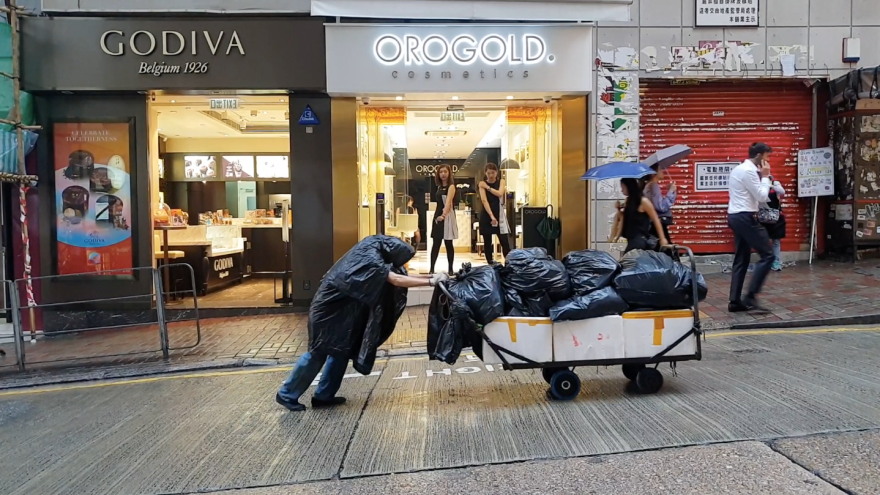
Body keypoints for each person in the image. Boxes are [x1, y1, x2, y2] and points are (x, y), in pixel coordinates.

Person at [276, 268, 449, 412]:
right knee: (318, 353)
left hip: (343, 311)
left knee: (340, 352)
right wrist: (430, 281)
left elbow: (398, 276)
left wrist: (431, 277)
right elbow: (396, 279)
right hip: (327, 313)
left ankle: (324, 395)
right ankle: (287, 394)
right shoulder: (370, 260)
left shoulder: (371, 257)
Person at [727, 142, 775, 313]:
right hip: (745, 217)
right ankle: (750, 297)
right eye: (767, 156)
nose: (768, 160)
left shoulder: (740, 169)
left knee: (741, 258)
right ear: (759, 156)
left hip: (736, 216)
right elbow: (761, 196)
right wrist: (765, 177)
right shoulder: (748, 171)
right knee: (768, 255)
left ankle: (735, 301)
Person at [610, 177, 669, 253]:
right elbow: (624, 218)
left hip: (639, 240)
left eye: (623, 188)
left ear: (629, 187)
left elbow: (655, 219)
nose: (622, 190)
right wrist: (619, 209)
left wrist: (662, 238)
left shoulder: (643, 201)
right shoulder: (628, 201)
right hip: (630, 239)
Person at [478, 163, 511, 264]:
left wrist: (488, 187)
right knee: (487, 241)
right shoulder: (481, 184)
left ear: (496, 172)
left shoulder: (501, 181)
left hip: (499, 213)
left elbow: (500, 193)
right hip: (487, 213)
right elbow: (484, 201)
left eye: (493, 173)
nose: (491, 175)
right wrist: (491, 216)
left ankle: (509, 263)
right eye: (488, 173)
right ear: (485, 173)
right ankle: (490, 263)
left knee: (504, 241)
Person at [430, 164, 458, 275]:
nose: (443, 174)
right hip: (437, 215)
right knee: (436, 243)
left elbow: (448, 203)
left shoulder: (451, 187)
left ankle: (450, 269)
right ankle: (432, 269)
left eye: (445, 172)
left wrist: (443, 215)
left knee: (448, 243)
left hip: (447, 217)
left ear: (449, 173)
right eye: (441, 172)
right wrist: (438, 216)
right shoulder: (439, 187)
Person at [760, 169, 787, 272]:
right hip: (763, 217)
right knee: (764, 240)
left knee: (776, 241)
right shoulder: (759, 185)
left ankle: (776, 261)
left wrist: (771, 183)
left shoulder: (775, 184)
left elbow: (782, 191)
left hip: (776, 217)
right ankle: (766, 261)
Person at [643, 165, 677, 243]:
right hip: (657, 224)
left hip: (652, 224)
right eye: (660, 170)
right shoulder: (653, 186)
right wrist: (671, 191)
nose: (662, 172)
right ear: (654, 173)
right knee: (665, 247)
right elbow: (661, 207)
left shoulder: (649, 185)